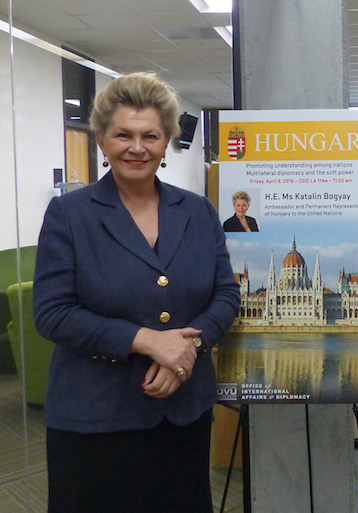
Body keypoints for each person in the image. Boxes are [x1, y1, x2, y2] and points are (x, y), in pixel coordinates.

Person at [33, 72, 240, 513]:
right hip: (95, 416)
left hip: (182, 414)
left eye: (150, 135)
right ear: (102, 141)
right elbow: (52, 313)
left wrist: (187, 351)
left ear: (166, 143)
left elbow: (226, 294)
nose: (137, 147)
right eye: (123, 134)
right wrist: (149, 342)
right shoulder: (70, 214)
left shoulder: (199, 212)